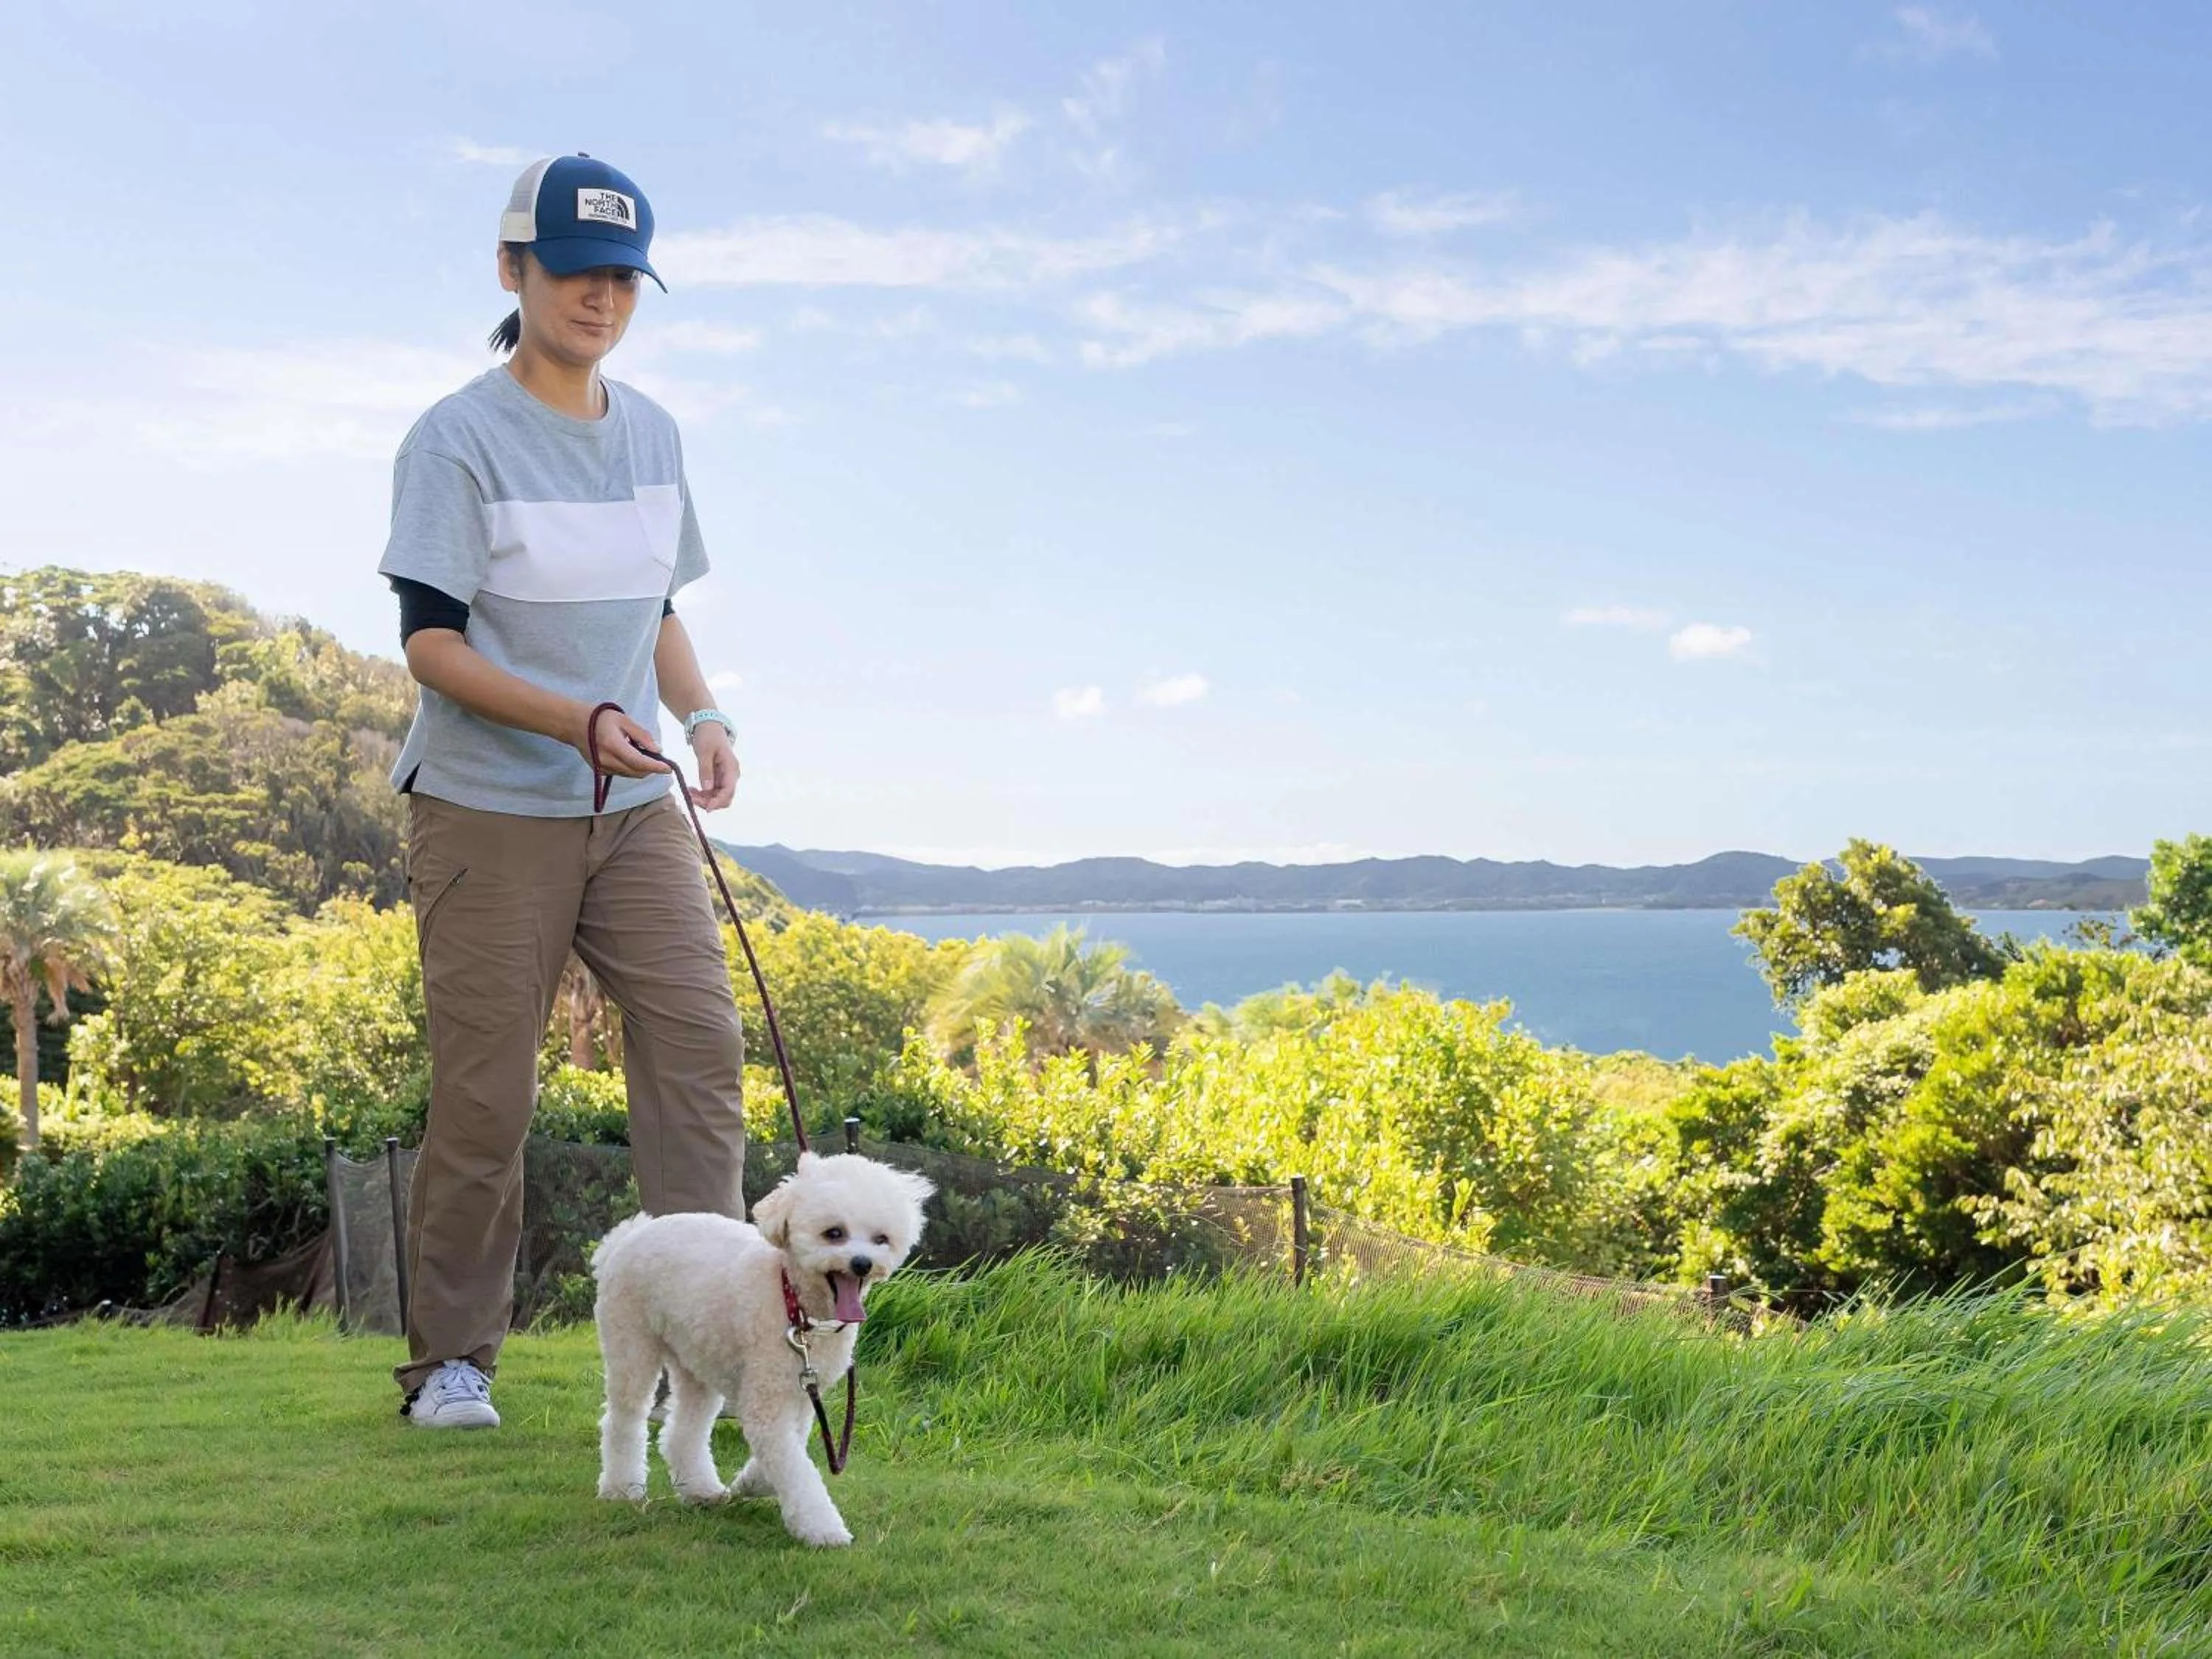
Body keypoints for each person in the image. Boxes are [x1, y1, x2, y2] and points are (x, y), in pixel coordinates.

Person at [377, 153, 745, 1428]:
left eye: (623, 277)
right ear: (512, 270)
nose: (601, 299)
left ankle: (703, 1346)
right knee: (489, 1095)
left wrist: (695, 712)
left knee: (699, 1053)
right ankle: (453, 1362)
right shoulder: (455, 439)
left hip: (629, 808)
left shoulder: (654, 433)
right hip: (487, 808)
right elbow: (433, 648)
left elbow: (655, 610)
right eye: (576, 272)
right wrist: (582, 718)